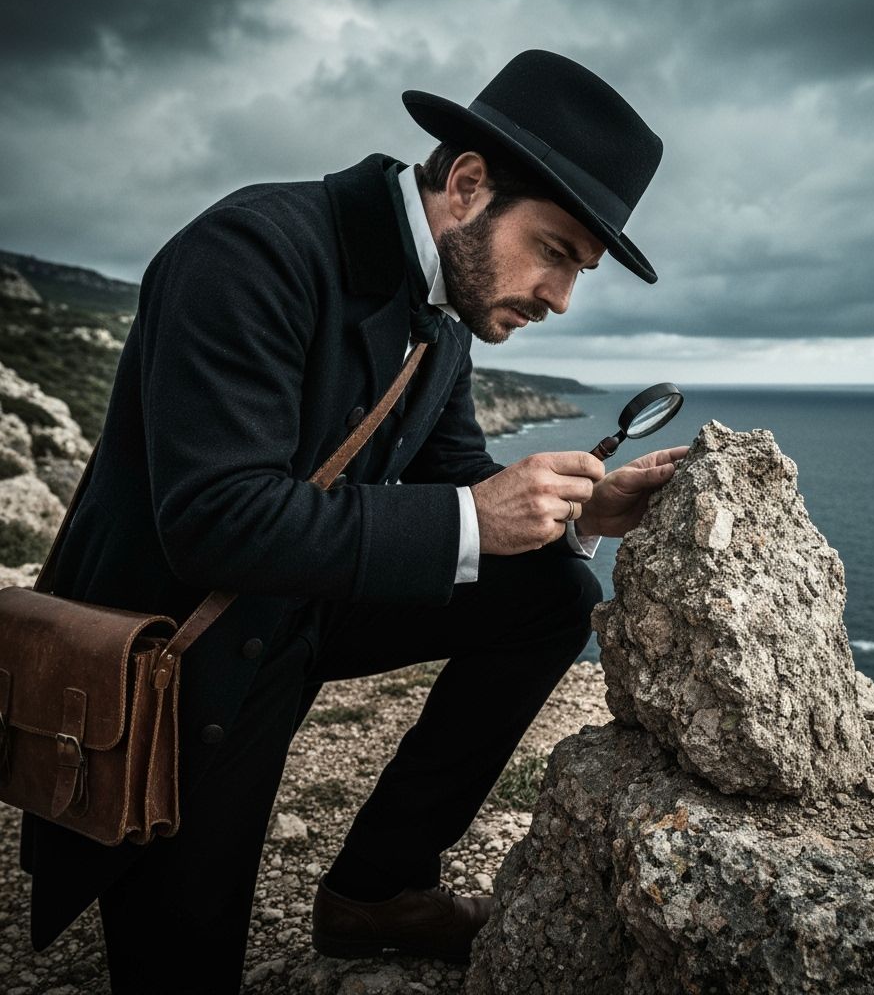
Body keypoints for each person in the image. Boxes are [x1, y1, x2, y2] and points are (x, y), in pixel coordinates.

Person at [20, 49, 684, 993]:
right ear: (466, 184)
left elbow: (454, 479)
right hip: (178, 646)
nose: (562, 298)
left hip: (298, 608)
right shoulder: (251, 250)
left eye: (578, 270)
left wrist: (583, 515)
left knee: (551, 591)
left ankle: (377, 890)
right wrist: (474, 514)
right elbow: (211, 520)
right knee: (187, 958)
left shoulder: (446, 314)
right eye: (556, 252)